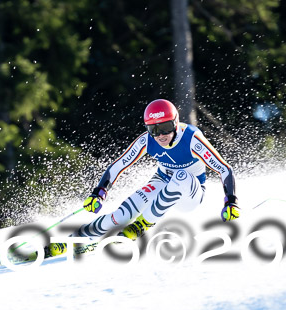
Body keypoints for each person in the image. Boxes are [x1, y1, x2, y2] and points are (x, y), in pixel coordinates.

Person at [48, 98, 239, 257]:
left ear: (175, 122)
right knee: (120, 215)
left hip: (190, 193)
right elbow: (118, 166)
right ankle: (73, 239)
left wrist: (231, 201)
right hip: (162, 180)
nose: (161, 135)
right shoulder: (146, 140)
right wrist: (99, 193)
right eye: (154, 129)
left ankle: (142, 224)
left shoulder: (191, 139)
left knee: (180, 176)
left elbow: (224, 169)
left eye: (165, 127)